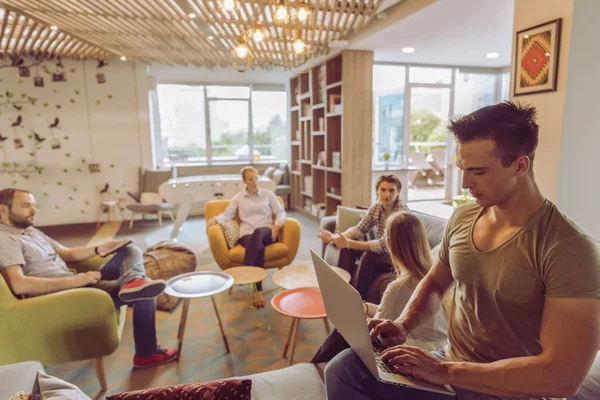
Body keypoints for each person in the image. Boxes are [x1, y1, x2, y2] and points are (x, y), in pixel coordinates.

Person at [325, 101, 600, 399]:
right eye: (462, 169)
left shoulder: (570, 250)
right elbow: (434, 283)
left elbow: (561, 377)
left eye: (478, 172)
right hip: (450, 364)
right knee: (343, 370)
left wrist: (445, 372)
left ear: (520, 165)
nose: (466, 183)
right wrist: (403, 324)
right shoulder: (463, 217)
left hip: (507, 389)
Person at [0, 188, 178, 368]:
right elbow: (19, 285)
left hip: (76, 281)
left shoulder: (30, 231)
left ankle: (133, 282)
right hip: (66, 294)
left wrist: (100, 248)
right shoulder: (5, 240)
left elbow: (67, 253)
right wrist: (76, 281)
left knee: (129, 251)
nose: (33, 210)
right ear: (3, 210)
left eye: (33, 205)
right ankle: (146, 354)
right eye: (25, 206)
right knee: (146, 292)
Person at [311, 210, 449, 364]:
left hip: (417, 356)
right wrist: (363, 307)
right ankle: (315, 365)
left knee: (345, 326)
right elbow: (393, 313)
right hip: (439, 350)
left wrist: (355, 316)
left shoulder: (399, 287)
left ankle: (315, 365)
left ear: (389, 244)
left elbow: (375, 331)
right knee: (353, 314)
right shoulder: (433, 279)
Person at [208, 166, 286, 307]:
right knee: (259, 247)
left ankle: (246, 269)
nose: (255, 182)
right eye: (250, 179)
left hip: (267, 232)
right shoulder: (238, 198)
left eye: (256, 178)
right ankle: (258, 291)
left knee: (259, 233)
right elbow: (228, 215)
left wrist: (277, 225)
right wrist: (214, 220)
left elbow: (281, 212)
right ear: (244, 181)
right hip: (246, 235)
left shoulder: (268, 194)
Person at [318, 174, 406, 299]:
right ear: (377, 191)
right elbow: (360, 229)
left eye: (391, 190)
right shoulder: (376, 207)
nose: (387, 195)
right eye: (383, 190)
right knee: (345, 250)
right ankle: (342, 288)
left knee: (369, 257)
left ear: (398, 192)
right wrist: (336, 237)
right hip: (382, 253)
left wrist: (348, 242)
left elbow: (383, 245)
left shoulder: (401, 213)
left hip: (397, 256)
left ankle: (356, 298)